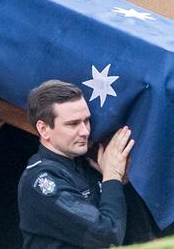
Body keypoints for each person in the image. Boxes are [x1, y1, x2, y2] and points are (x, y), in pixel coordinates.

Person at [18, 80, 134, 249]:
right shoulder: (42, 181)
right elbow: (108, 235)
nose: (85, 131)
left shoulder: (86, 165)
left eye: (86, 121)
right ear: (44, 129)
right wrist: (112, 177)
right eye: (72, 124)